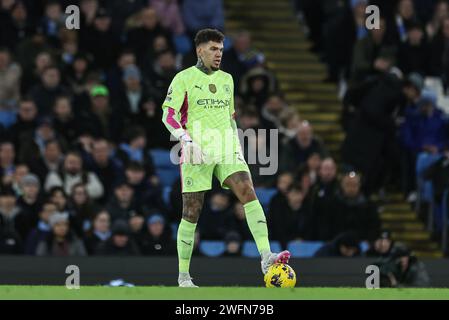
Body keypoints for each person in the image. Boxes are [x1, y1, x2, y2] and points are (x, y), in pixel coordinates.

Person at [161, 29, 290, 287]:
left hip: (226, 148)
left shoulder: (228, 79)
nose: (218, 54)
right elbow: (168, 115)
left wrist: (237, 145)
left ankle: (266, 256)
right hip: (196, 149)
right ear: (200, 50)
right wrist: (186, 141)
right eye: (212, 49)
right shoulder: (183, 78)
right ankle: (184, 276)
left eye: (220, 49)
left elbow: (230, 117)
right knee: (191, 212)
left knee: (248, 191)